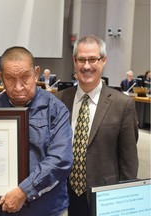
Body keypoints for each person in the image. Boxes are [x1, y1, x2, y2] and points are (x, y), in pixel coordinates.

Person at [55, 35, 139, 216]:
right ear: (74, 61)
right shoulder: (59, 100)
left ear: (103, 61)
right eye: (81, 60)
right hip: (63, 193)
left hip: (104, 195)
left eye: (92, 59)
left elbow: (129, 161)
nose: (86, 66)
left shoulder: (122, 104)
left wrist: (127, 200)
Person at [0, 46, 73, 216]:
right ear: (0, 77)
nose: (18, 87)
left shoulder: (55, 109)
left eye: (25, 77)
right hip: (2, 208)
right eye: (10, 79)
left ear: (36, 73)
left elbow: (60, 160)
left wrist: (24, 191)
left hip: (46, 209)